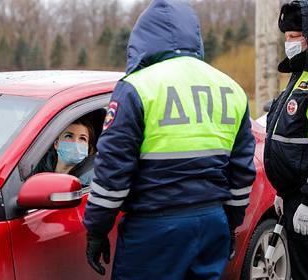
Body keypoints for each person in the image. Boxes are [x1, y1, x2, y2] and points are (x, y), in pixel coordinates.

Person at [83, 0, 256, 279]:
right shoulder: (231, 88)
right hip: (212, 222)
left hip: (155, 229)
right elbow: (242, 171)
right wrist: (231, 224)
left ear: (143, 38)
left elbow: (112, 171)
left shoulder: (136, 87)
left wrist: (97, 229)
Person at [264, 1, 308, 279]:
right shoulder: (299, 77)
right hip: (294, 197)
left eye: (295, 37)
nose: (289, 44)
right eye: (286, 38)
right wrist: (282, 189)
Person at [35, 118, 96, 186]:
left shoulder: (89, 182)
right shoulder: (37, 168)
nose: (75, 142)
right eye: (69, 136)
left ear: (88, 148)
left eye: (82, 138)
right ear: (56, 144)